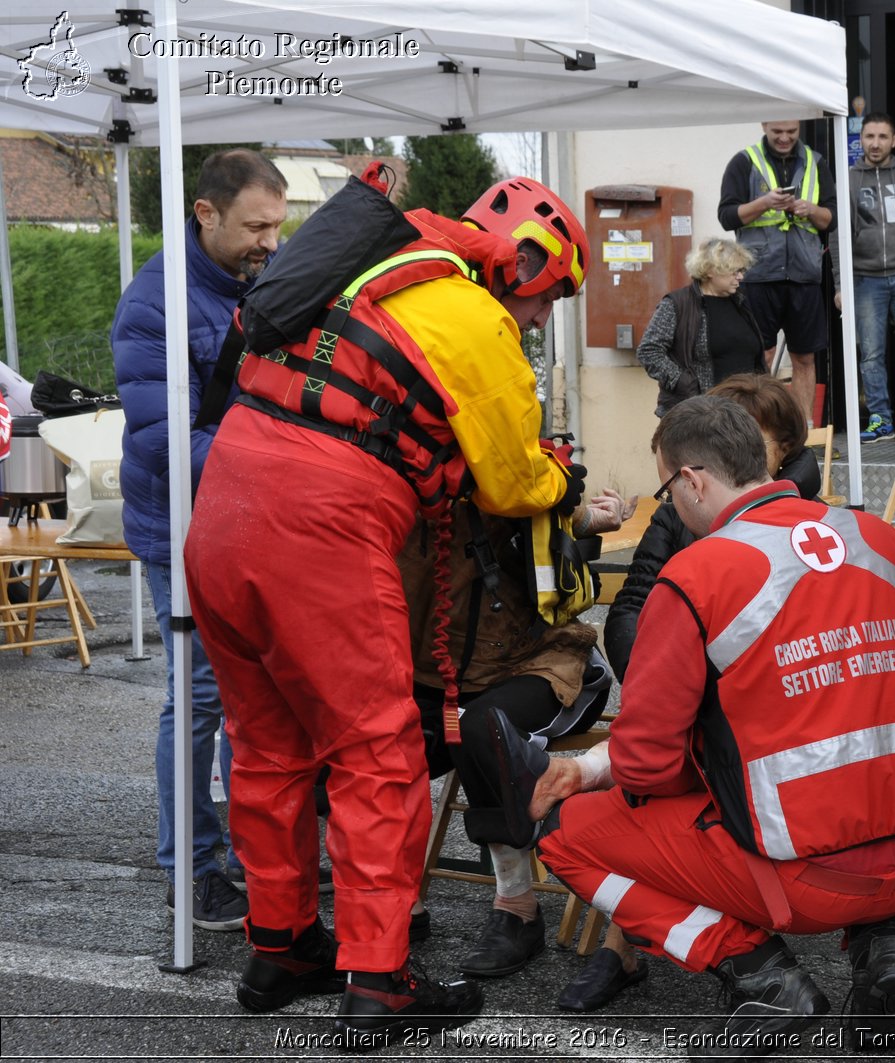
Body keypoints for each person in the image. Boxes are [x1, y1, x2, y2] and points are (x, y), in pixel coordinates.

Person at [184, 174, 588, 1048]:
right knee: (381, 757)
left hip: (222, 512)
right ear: (527, 262)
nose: (543, 319)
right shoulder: (473, 317)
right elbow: (516, 483)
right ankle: (380, 981)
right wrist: (564, 479)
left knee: (269, 747)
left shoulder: (369, 265)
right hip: (319, 530)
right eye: (551, 297)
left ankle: (281, 947)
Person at [483, 394, 895, 1059]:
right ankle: (887, 946)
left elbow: (649, 765)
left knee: (565, 835)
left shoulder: (698, 574)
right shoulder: (877, 539)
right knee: (858, 787)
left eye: (665, 489)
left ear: (692, 479)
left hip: (804, 875)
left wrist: (595, 770)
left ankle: (760, 974)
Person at [112, 148, 288, 933]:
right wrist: (287, 464)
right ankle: (192, 869)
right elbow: (167, 443)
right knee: (200, 697)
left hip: (252, 520)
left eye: (278, 227)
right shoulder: (154, 302)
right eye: (256, 227)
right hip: (179, 527)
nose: (269, 243)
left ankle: (260, 857)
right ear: (206, 214)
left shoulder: (258, 282)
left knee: (259, 694)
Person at [401, 487, 630, 981]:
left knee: (480, 728)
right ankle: (396, 901)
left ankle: (517, 906)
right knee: (376, 742)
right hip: (436, 673)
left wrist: (587, 516)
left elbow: (535, 493)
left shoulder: (512, 476)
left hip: (544, 664)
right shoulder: (395, 491)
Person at [602, 373, 820, 683]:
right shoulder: (675, 515)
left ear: (786, 448)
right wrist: (651, 681)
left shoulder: (813, 524)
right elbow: (632, 606)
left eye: (751, 438)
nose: (734, 447)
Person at [830, 112, 895, 441]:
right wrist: (840, 283)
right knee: (871, 353)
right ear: (860, 140)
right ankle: (880, 418)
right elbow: (837, 237)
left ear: (894, 140)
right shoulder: (848, 180)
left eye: (882, 137)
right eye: (869, 137)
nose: (875, 143)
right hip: (865, 280)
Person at [719, 120, 837, 420]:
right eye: (777, 132)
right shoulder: (744, 161)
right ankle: (757, 429)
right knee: (761, 357)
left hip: (804, 275)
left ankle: (803, 432)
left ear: (799, 126)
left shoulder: (815, 162)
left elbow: (832, 219)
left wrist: (809, 209)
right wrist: (764, 203)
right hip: (759, 275)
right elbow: (727, 216)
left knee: (805, 357)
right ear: (765, 125)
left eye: (791, 132)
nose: (784, 138)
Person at [636, 239, 765, 416]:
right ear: (711, 270)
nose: (740, 277)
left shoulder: (741, 302)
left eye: (741, 271)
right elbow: (649, 351)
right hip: (698, 413)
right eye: (734, 271)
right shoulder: (678, 304)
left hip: (743, 412)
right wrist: (682, 381)